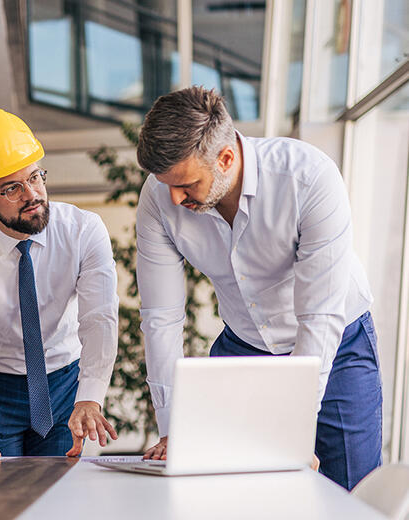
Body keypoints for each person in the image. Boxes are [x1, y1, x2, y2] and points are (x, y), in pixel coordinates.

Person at [135, 86, 381, 490]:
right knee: (235, 490)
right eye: (166, 185)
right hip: (245, 346)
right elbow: (161, 318)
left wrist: (295, 426)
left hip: (337, 345)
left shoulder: (307, 177)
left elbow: (319, 316)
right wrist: (170, 425)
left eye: (187, 185)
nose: (175, 199)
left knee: (352, 489)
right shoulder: (159, 197)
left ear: (226, 158)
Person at [0, 108, 120, 459]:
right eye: (12, 188)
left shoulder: (83, 230)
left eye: (35, 177)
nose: (32, 194)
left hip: (64, 386)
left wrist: (90, 396)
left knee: (61, 498)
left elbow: (99, 319)